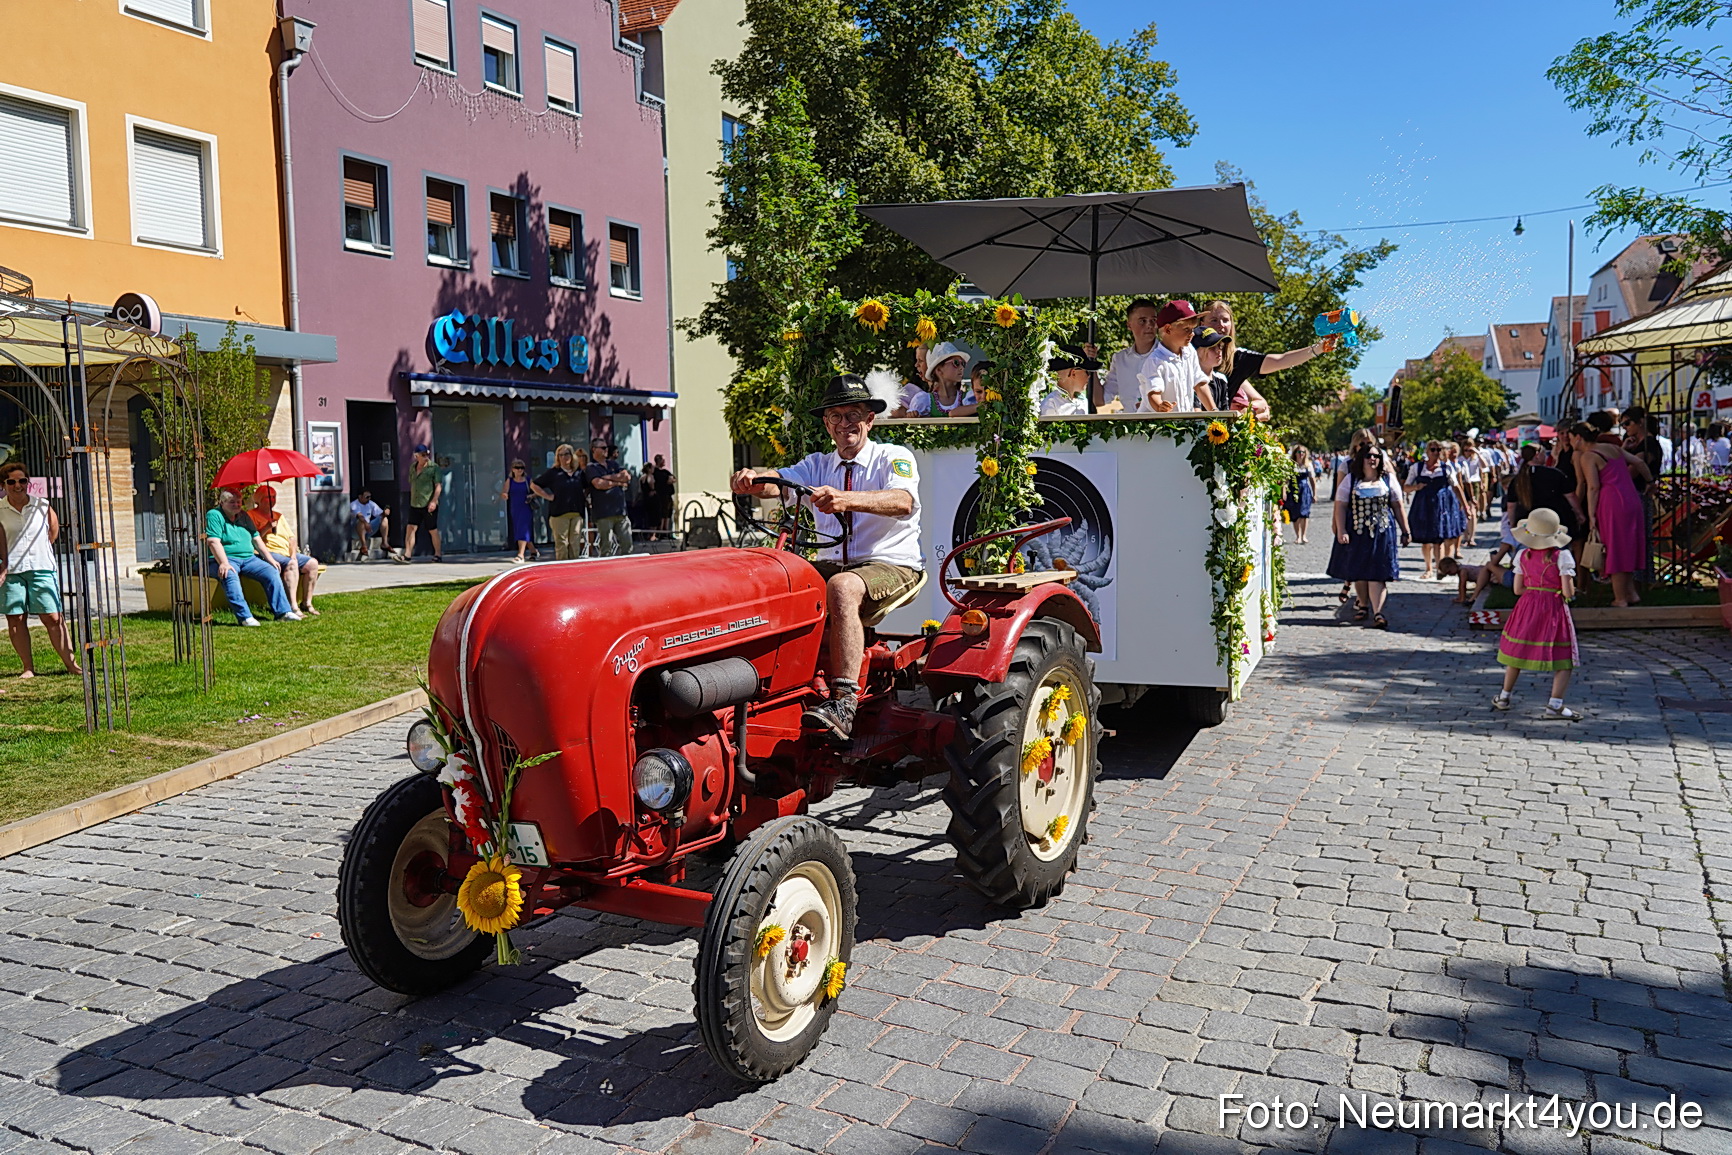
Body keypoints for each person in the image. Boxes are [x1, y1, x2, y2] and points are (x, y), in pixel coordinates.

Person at [730, 374, 921, 741]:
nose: (844, 424)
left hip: (891, 563)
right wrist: (753, 478)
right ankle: (766, 688)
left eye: (853, 415)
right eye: (836, 416)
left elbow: (903, 501)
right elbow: (777, 482)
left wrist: (846, 499)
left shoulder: (893, 457)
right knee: (772, 580)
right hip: (835, 562)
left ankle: (845, 700)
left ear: (869, 419)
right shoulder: (817, 464)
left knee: (843, 586)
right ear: (826, 424)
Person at [1493, 508, 1581, 720]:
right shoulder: (1562, 557)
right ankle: (1555, 705)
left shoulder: (1523, 555)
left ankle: (1504, 696)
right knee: (1564, 657)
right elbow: (1568, 591)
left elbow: (1517, 589)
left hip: (1527, 605)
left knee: (1518, 650)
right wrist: (1567, 592)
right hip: (1552, 606)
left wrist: (1534, 592)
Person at [0, 463, 81, 676]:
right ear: (3, 485)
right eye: (11, 481)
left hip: (42, 567)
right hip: (12, 571)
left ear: (28, 482)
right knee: (16, 619)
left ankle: (71, 665)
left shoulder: (42, 505)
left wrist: (39, 551)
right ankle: (28, 668)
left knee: (53, 617)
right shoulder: (0, 510)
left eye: (22, 480)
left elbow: (52, 533)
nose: (17, 485)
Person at [1327, 441, 1411, 629]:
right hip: (1358, 531)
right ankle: (1363, 605)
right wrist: (1341, 530)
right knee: (1360, 571)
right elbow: (1340, 505)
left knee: (1378, 573)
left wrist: (1405, 530)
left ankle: (1378, 612)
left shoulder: (1388, 480)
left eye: (1376, 456)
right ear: (1361, 459)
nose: (1373, 459)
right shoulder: (1352, 479)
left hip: (1382, 532)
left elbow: (1397, 505)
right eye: (1369, 456)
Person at [1200, 300, 1326, 419]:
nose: (1220, 325)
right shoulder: (1189, 351)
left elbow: (1281, 360)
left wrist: (1319, 348)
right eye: (1214, 320)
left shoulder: (1237, 358)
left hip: (1217, 431)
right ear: (1202, 324)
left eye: (1225, 320)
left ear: (1232, 325)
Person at [1571, 421, 1651, 607]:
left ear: (1578, 438)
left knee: (1614, 547)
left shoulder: (1588, 456)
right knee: (1628, 546)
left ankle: (1620, 598)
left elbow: (1593, 487)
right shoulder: (1612, 448)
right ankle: (1630, 593)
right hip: (1631, 498)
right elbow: (1638, 462)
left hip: (1612, 503)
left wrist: (1590, 514)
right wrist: (1650, 481)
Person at [204, 488, 299, 625]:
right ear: (222, 502)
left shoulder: (243, 515)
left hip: (249, 558)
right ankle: (245, 617)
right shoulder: (214, 515)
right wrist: (224, 563)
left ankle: (283, 612)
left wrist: (270, 560)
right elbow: (213, 541)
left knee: (271, 571)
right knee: (229, 574)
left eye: (239, 502)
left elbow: (256, 539)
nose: (236, 505)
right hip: (224, 558)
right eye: (232, 502)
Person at [248, 486, 319, 615]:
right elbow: (252, 539)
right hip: (267, 553)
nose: (272, 500)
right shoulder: (251, 515)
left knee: (312, 563)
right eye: (268, 497)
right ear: (258, 499)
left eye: (274, 497)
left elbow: (291, 538)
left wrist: (293, 554)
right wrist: (267, 527)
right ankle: (292, 606)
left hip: (285, 553)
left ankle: (306, 603)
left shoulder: (279, 516)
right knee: (291, 564)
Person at [1404, 441, 1469, 580]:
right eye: (1433, 449)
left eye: (1438, 449)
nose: (1435, 452)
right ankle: (1428, 568)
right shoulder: (1417, 467)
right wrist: (1417, 487)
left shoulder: (1446, 467)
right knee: (1426, 539)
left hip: (1442, 506)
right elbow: (1406, 486)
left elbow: (1456, 487)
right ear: (1427, 451)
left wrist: (1465, 505)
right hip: (1423, 505)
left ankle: (1440, 568)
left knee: (1439, 538)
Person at [1135, 299, 1209, 412]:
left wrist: (1214, 411)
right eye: (1186, 329)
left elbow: (1200, 384)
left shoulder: (1189, 352)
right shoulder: (1156, 360)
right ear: (1168, 329)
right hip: (1158, 425)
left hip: (1182, 423)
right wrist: (1160, 406)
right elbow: (1153, 393)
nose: (1192, 333)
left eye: (1193, 329)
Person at [1096, 298, 1162, 413]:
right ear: (1129, 325)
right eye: (1142, 321)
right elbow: (1100, 400)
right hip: (1130, 425)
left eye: (1153, 320)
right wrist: (1091, 367)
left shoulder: (1166, 355)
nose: (1150, 325)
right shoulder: (1120, 359)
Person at [893, 341, 978, 418]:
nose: (961, 368)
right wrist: (913, 416)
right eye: (956, 363)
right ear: (939, 370)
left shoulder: (968, 399)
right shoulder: (923, 401)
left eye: (963, 363)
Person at [533, 445, 589, 560]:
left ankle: (574, 566)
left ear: (572, 455)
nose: (564, 457)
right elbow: (534, 485)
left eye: (567, 454)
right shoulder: (554, 473)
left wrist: (585, 497)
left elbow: (587, 486)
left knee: (575, 542)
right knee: (562, 543)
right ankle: (562, 566)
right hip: (559, 513)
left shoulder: (578, 472)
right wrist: (547, 496)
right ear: (558, 457)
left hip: (577, 513)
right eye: (561, 455)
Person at [586, 440, 634, 557]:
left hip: (620, 511)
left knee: (627, 543)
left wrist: (608, 478)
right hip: (603, 513)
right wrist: (618, 482)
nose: (606, 450)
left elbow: (626, 476)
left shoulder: (613, 464)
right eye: (602, 448)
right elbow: (599, 484)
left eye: (606, 447)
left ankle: (627, 569)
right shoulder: (591, 467)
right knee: (606, 546)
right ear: (594, 449)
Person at [401, 445, 443, 563]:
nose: (426, 457)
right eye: (423, 455)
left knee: (432, 529)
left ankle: (438, 554)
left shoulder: (434, 468)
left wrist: (434, 501)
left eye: (427, 454)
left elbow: (438, 486)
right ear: (416, 456)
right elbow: (411, 483)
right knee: (411, 527)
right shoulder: (412, 468)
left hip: (428, 503)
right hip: (415, 502)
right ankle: (407, 554)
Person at [1040, 345, 1097, 417]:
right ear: (1073, 373)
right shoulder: (1051, 403)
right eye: (1086, 372)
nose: (1089, 376)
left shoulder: (1083, 400)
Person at [501, 461, 536, 563]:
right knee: (520, 529)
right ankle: (533, 551)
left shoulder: (528, 480)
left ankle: (520, 555)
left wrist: (531, 496)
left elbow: (536, 491)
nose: (519, 470)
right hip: (515, 508)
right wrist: (504, 495)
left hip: (525, 507)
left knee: (523, 529)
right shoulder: (510, 481)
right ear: (513, 469)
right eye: (517, 467)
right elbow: (504, 492)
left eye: (522, 468)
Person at [1438, 554, 1509, 605]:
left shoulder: (1463, 571)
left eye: (1450, 572)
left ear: (1453, 564)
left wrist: (1462, 598)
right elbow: (1460, 585)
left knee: (1494, 582)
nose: (1450, 574)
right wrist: (1460, 596)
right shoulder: (1461, 569)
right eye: (1448, 574)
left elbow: (1463, 585)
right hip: (1485, 575)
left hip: (1490, 575)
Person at [349, 489, 396, 561]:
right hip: (355, 531)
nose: (369, 499)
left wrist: (384, 513)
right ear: (360, 496)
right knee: (361, 521)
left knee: (384, 519)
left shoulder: (370, 503)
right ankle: (364, 546)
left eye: (370, 497)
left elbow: (379, 514)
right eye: (367, 497)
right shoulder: (354, 504)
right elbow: (360, 516)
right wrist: (366, 523)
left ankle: (384, 543)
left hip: (368, 529)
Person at [1283, 446, 1315, 544]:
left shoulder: (1308, 465)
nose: (1301, 454)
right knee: (1296, 513)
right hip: (1293, 490)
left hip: (1305, 490)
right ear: (1295, 453)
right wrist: (1283, 491)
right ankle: (1298, 536)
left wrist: (1315, 494)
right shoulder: (1291, 465)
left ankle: (1304, 535)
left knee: (1305, 513)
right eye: (1299, 452)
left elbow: (1312, 480)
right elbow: (1285, 480)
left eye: (1303, 452)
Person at [653, 454, 676, 541]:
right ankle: (662, 532)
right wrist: (668, 480)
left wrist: (670, 479)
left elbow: (673, 479)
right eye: (663, 460)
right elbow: (665, 481)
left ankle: (668, 531)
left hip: (668, 495)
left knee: (669, 514)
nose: (664, 462)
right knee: (663, 514)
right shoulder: (656, 472)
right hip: (662, 496)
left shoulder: (665, 471)